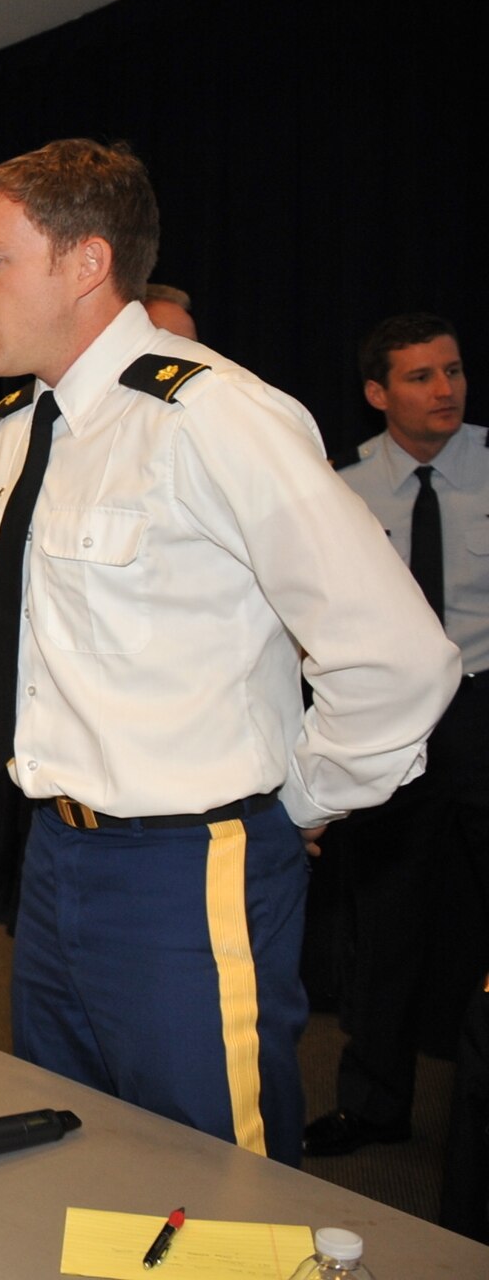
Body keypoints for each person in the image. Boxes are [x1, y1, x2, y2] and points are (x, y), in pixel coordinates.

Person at [0, 138, 458, 1165]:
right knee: (70, 1157)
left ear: (84, 262)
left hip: (185, 869)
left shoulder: (212, 415)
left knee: (216, 1190)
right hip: (49, 858)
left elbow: (400, 655)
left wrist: (301, 800)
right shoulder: (15, 426)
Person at [305, 314, 489, 1156]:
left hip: (486, 711)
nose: (444, 389)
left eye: (451, 371)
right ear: (378, 393)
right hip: (395, 727)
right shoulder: (337, 488)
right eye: (420, 377)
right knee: (384, 925)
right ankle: (374, 1106)